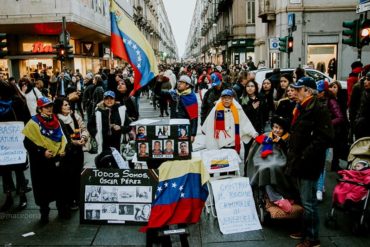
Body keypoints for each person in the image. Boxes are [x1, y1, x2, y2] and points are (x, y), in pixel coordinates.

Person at [286, 77, 334, 247]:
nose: (294, 92)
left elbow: (325, 137)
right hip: (299, 161)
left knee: (309, 202)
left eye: (298, 89)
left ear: (307, 90)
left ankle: (312, 239)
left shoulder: (318, 109)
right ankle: (305, 231)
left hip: (309, 163)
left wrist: (305, 154)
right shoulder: (301, 107)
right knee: (303, 199)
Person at [22, 97, 69, 223]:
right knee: (42, 188)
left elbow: (63, 137)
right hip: (41, 162)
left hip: (56, 158)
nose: (49, 109)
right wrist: (42, 152)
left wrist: (64, 149)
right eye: (46, 107)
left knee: (59, 185)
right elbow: (27, 143)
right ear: (40, 108)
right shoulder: (33, 122)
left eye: (50, 106)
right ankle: (44, 213)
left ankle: (61, 209)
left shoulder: (56, 120)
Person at [247, 116, 297, 213]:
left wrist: (282, 144)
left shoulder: (288, 138)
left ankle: (277, 196)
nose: (277, 130)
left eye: (280, 128)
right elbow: (255, 151)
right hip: (263, 161)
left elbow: (290, 154)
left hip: (280, 161)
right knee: (264, 168)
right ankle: (276, 198)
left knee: (272, 168)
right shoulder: (266, 136)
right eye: (275, 127)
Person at [0, 80, 31, 212]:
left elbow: (28, 120)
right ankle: (9, 196)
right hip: (3, 143)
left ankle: (22, 194)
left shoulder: (17, 102)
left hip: (17, 141)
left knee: (18, 169)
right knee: (4, 170)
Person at [53, 97, 89, 210]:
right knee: (67, 177)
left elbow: (84, 128)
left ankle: (77, 198)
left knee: (77, 174)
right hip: (66, 153)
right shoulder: (56, 120)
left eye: (68, 104)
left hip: (78, 152)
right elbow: (58, 137)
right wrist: (73, 142)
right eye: (65, 105)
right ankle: (69, 200)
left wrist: (83, 137)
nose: (68, 106)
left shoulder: (75, 116)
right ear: (59, 107)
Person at [201, 89, 258, 156]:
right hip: (220, 142)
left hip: (233, 142)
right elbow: (209, 123)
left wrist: (253, 133)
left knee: (232, 162)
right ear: (221, 99)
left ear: (232, 99)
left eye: (229, 98)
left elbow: (245, 123)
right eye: (224, 98)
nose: (226, 100)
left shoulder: (238, 110)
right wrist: (205, 130)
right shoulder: (216, 110)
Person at [168, 75, 198, 143]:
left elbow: (194, 117)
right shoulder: (173, 94)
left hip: (185, 128)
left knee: (186, 149)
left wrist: (193, 134)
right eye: (179, 82)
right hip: (173, 126)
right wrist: (159, 82)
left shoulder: (191, 97)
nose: (179, 84)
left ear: (187, 85)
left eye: (182, 83)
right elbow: (159, 93)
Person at [354, 72, 370, 139]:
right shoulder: (364, 93)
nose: (365, 82)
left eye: (368, 79)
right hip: (362, 130)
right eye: (365, 79)